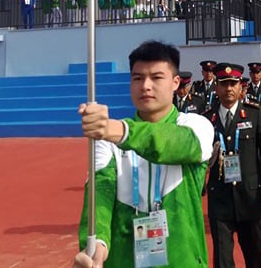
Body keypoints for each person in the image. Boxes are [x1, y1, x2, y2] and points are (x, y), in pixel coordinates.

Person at [75, 40, 214, 268]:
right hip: (123, 260)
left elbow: (175, 143)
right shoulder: (108, 140)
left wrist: (121, 131)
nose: (145, 86)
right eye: (137, 78)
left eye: (157, 77)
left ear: (175, 83)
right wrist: (97, 246)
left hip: (182, 260)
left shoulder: (196, 125)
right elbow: (100, 192)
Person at [205, 62, 261, 268]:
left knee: (255, 252)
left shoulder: (255, 114)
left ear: (240, 87)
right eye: (223, 83)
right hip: (220, 198)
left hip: (250, 197)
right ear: (216, 88)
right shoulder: (206, 120)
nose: (228, 88)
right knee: (222, 259)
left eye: (233, 83)